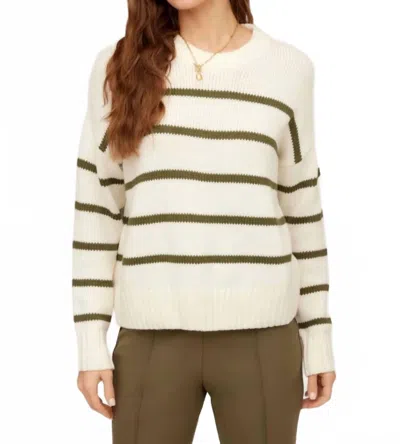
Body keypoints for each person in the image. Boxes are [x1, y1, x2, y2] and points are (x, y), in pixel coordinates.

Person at [72, 0, 336, 442]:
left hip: (263, 338)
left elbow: (302, 208)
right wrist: (90, 341)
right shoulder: (120, 66)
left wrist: (319, 337)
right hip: (151, 339)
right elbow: (97, 208)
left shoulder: (289, 70)